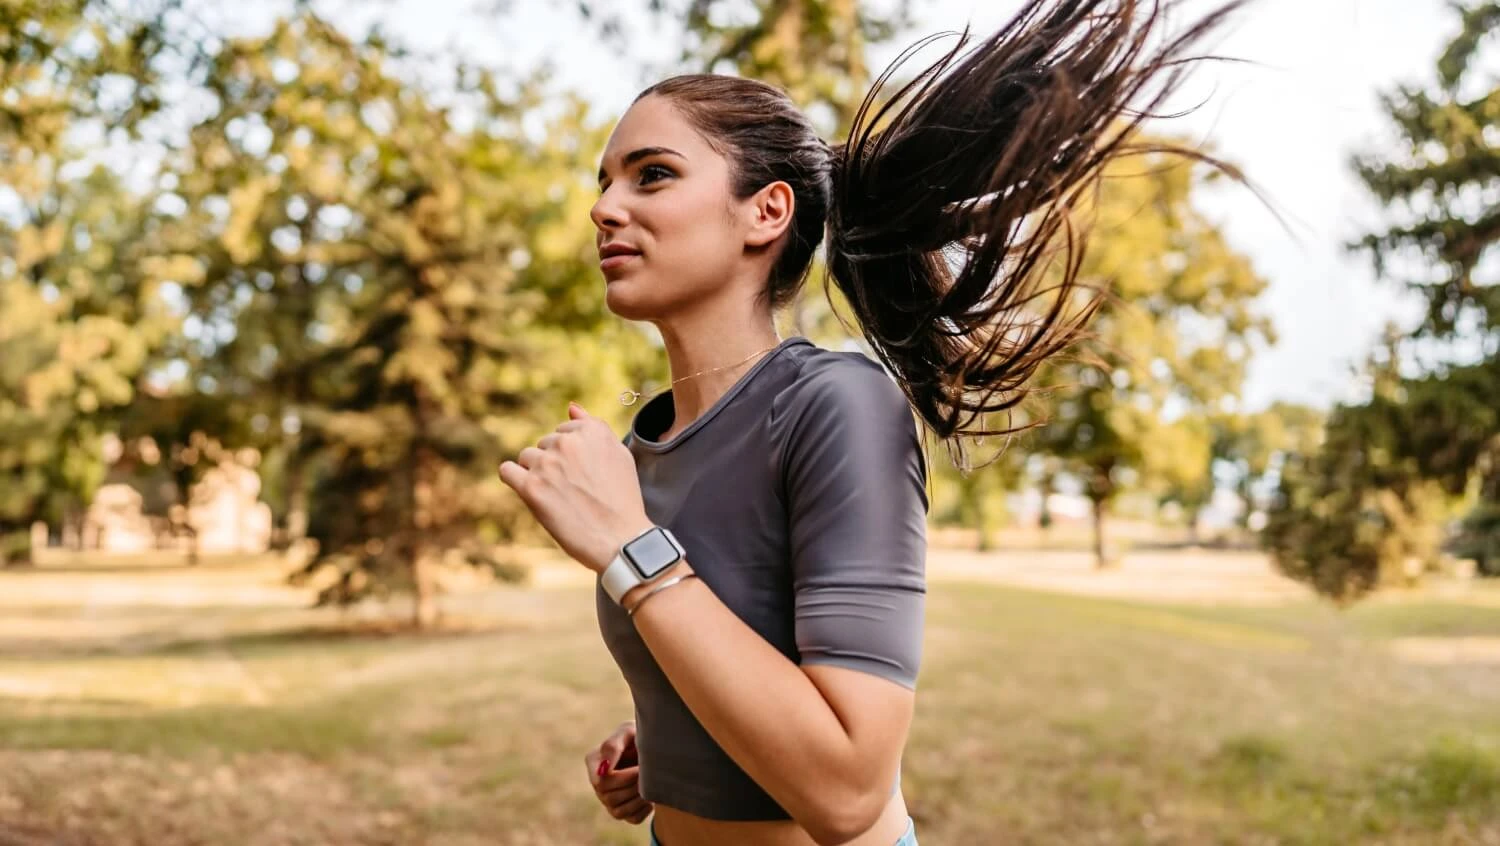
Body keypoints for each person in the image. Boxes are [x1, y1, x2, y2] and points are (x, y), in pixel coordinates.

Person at [497, 1, 1243, 843]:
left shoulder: (837, 405)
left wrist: (630, 549)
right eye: (604, 182)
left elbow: (849, 788)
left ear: (766, 213)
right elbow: (736, 665)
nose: (605, 206)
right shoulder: (645, 447)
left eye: (652, 174)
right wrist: (672, 750)